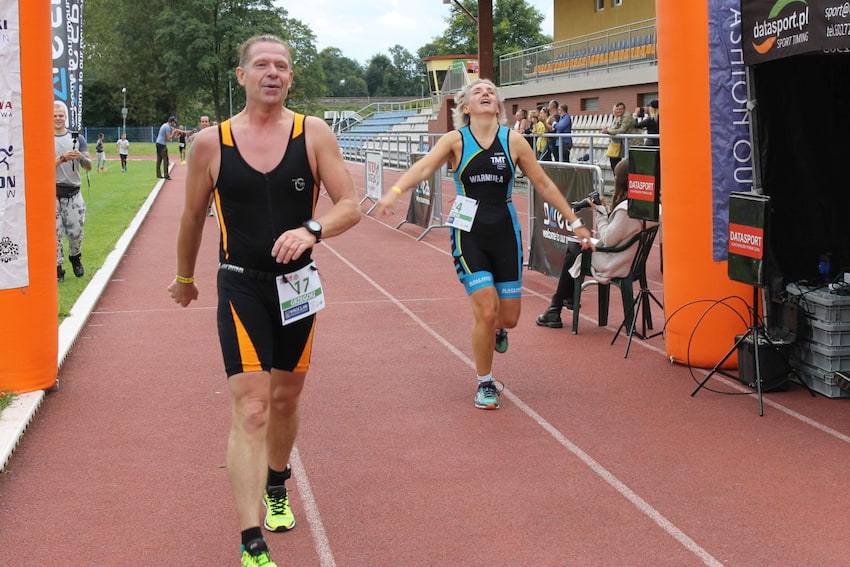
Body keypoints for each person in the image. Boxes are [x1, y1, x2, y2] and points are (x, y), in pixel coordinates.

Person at [167, 34, 360, 567]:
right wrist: (184, 277)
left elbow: (350, 203)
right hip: (240, 283)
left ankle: (278, 483)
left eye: (281, 66)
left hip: (297, 285)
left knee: (284, 400)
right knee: (251, 406)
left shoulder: (312, 133)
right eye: (261, 65)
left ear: (290, 78)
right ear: (242, 75)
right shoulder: (210, 143)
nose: (272, 72)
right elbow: (190, 217)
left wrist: (313, 229)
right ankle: (252, 540)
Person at [375, 79, 592, 411]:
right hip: (469, 232)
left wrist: (575, 223)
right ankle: (485, 383)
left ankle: (499, 331)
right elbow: (423, 166)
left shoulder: (514, 141)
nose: (486, 94)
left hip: (505, 230)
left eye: (491, 91)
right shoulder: (455, 140)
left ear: (499, 104)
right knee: (486, 311)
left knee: (509, 318)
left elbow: (543, 183)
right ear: (466, 106)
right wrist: (396, 191)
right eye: (478, 92)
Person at [536, 158, 658, 328]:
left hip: (617, 262)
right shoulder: (651, 206)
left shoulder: (626, 209)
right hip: (632, 260)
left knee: (574, 247)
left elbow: (608, 238)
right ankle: (562, 302)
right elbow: (622, 232)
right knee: (575, 246)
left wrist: (600, 212)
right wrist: (606, 211)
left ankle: (556, 306)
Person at [53, 102, 92, 282]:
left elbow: (89, 166)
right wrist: (62, 158)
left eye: (61, 115)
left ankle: (75, 257)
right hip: (52, 192)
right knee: (54, 233)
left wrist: (80, 157)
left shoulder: (77, 138)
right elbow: (39, 168)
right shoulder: (45, 138)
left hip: (73, 192)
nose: (58, 118)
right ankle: (57, 267)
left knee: (76, 231)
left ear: (66, 117)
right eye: (54, 115)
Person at [601, 102, 641, 171]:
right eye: (617, 109)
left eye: (620, 109)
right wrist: (607, 129)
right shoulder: (619, 117)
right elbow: (615, 128)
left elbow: (622, 130)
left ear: (624, 109)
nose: (618, 111)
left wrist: (608, 131)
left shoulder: (627, 117)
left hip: (633, 143)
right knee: (616, 161)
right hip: (624, 143)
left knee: (631, 163)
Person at [155, 116, 189, 180]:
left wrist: (185, 132)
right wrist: (173, 133)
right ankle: (166, 175)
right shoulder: (167, 127)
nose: (175, 123)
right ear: (172, 122)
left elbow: (176, 130)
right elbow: (169, 138)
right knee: (166, 160)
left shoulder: (165, 125)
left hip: (158, 143)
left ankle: (158, 174)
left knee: (159, 159)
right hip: (162, 144)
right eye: (174, 122)